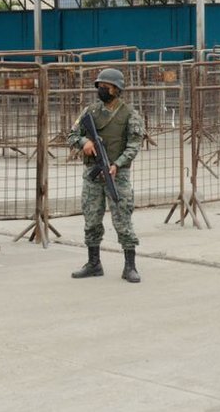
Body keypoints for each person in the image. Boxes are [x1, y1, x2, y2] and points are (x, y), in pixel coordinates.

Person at [67, 68, 145, 283]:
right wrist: (85, 142)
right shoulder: (89, 112)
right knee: (91, 219)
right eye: (100, 86)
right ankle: (93, 263)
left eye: (106, 86)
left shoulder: (130, 114)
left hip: (117, 175)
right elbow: (72, 134)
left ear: (116, 89)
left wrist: (117, 164)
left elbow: (134, 145)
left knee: (122, 220)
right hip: (93, 175)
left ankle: (130, 266)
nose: (101, 90)